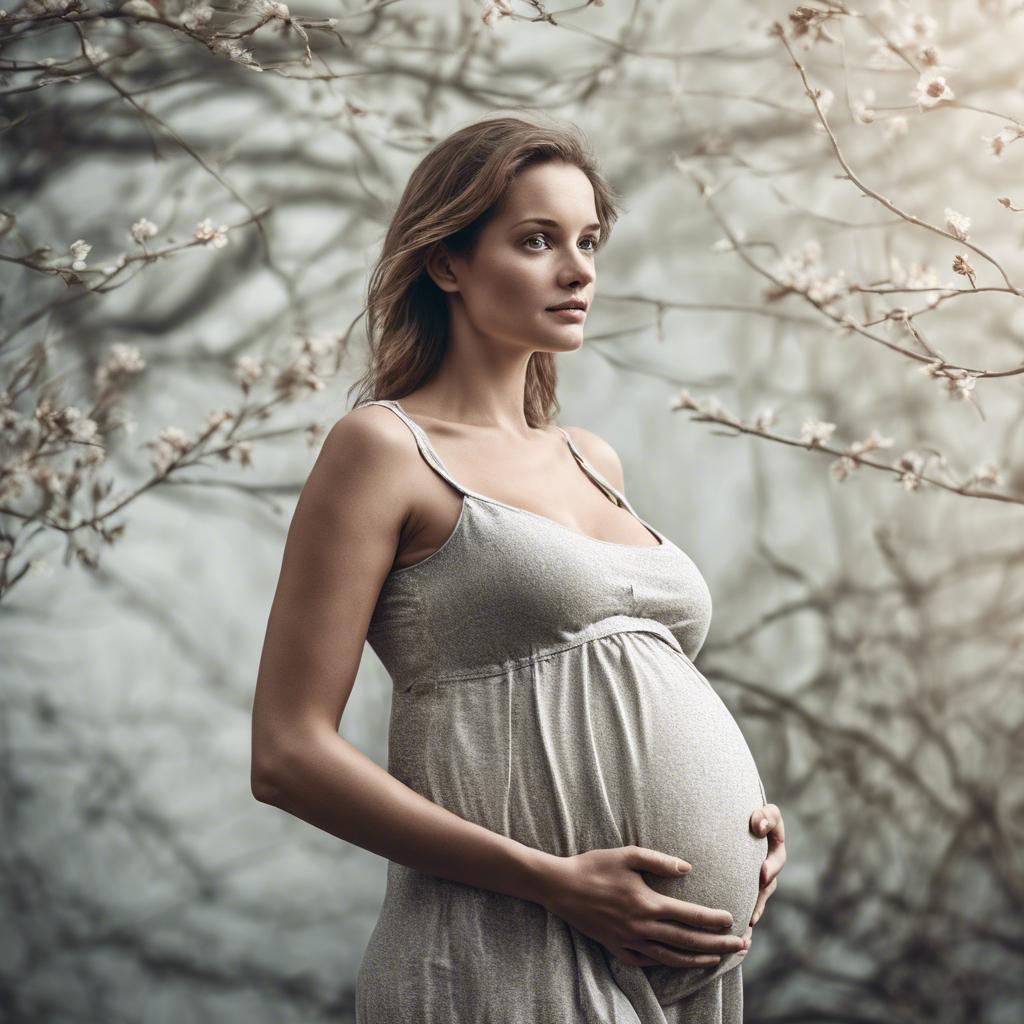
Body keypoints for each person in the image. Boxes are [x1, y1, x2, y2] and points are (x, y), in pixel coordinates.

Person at [250, 112, 786, 1023]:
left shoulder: (590, 458)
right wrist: (555, 881)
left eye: (587, 241)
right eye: (536, 241)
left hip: (682, 966)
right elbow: (287, 753)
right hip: (504, 950)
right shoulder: (385, 449)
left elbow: (631, 686)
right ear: (448, 263)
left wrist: (746, 820)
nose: (578, 271)